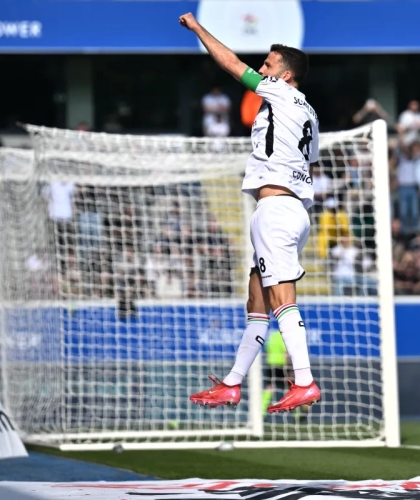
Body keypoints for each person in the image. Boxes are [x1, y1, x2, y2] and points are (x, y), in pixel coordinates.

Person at [181, 12, 320, 413]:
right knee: (256, 299)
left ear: (286, 75)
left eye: (269, 64)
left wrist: (198, 29)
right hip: (291, 210)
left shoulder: (279, 92)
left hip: (276, 210)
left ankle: (305, 381)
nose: (262, 69)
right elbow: (308, 160)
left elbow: (231, 64)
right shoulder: (310, 112)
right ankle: (232, 383)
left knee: (281, 298)